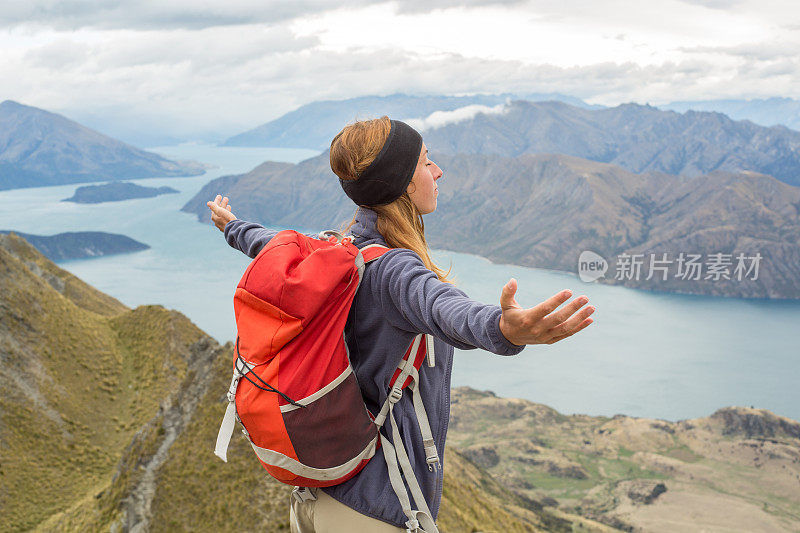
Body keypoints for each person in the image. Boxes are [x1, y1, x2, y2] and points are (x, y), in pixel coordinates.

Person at [207, 116, 595, 532]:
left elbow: (267, 243)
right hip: (373, 508)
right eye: (427, 162)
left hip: (319, 504)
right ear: (403, 182)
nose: (438, 171)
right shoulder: (393, 270)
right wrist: (501, 328)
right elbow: (445, 308)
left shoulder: (328, 253)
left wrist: (233, 227)